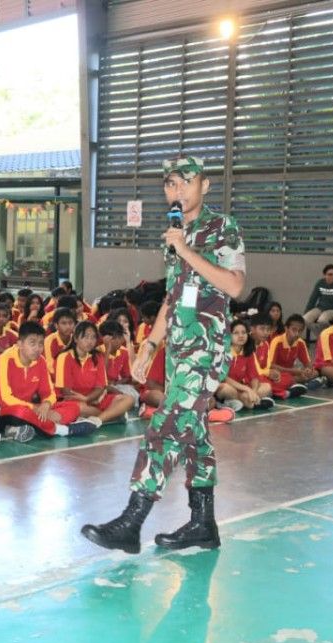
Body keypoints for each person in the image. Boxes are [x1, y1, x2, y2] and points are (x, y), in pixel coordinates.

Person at [83, 154, 247, 554]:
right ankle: (203, 523)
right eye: (171, 184)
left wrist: (187, 250)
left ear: (204, 186)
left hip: (206, 350)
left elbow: (236, 286)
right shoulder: (174, 233)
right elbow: (173, 299)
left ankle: (132, 519)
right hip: (178, 350)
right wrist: (151, 345)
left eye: (185, 183)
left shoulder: (221, 227)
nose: (177, 191)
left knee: (167, 426)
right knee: (195, 434)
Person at [0, 321, 91, 442]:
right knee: (20, 412)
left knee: (73, 407)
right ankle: (63, 430)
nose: (38, 348)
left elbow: (49, 393)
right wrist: (35, 409)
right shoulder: (5, 360)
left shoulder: (40, 361)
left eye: (40, 344)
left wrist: (46, 405)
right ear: (20, 344)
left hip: (29, 408)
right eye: (32, 343)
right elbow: (6, 399)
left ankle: (23, 428)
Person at [54, 322, 134, 425]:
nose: (90, 341)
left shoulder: (98, 356)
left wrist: (88, 398)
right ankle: (112, 415)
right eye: (86, 337)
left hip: (95, 399)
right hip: (75, 401)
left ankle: (98, 420)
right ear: (75, 339)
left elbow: (100, 387)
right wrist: (85, 400)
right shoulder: (64, 357)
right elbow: (67, 392)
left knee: (128, 399)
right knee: (80, 408)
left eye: (93, 338)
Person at [215, 319, 274, 412]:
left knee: (267, 387)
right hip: (226, 387)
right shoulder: (223, 351)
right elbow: (224, 377)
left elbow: (254, 376)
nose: (241, 335)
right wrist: (247, 389)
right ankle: (249, 402)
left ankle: (242, 401)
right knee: (226, 389)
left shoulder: (248, 352)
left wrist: (253, 391)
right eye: (236, 333)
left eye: (243, 332)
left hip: (240, 388)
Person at [266, 314, 321, 390]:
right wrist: (295, 371)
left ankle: (295, 382)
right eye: (294, 330)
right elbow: (271, 366)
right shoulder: (277, 341)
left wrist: (308, 370)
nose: (297, 334)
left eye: (300, 331)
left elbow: (308, 364)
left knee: (315, 372)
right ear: (286, 328)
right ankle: (301, 383)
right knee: (275, 376)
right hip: (278, 372)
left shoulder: (300, 342)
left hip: (292, 373)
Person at [303, 263, 333, 339]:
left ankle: (326, 337)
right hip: (320, 308)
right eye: (330, 274)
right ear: (324, 275)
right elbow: (313, 298)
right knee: (305, 319)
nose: (332, 276)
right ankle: (324, 337)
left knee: (322, 320)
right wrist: (307, 311)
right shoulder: (320, 283)